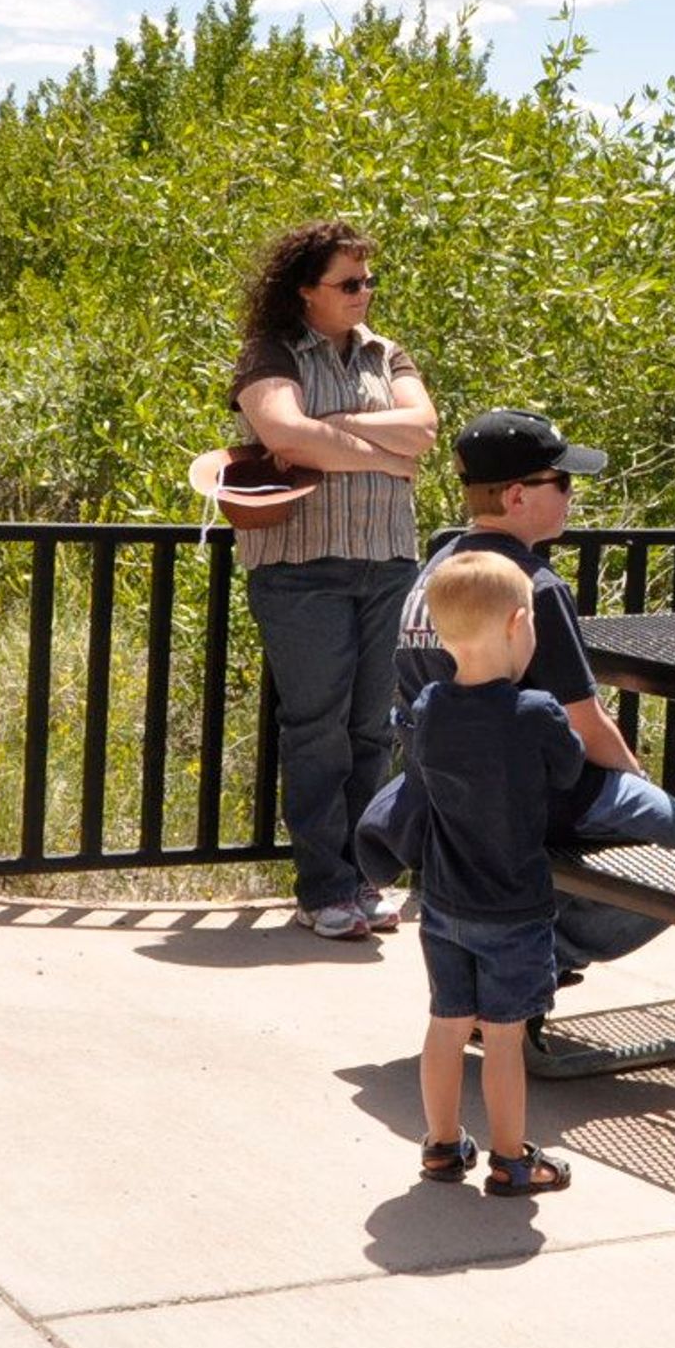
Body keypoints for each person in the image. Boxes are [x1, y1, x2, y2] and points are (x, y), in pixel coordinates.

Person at [395, 409, 675, 975]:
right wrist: (635, 782)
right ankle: (532, 958)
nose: (573, 496)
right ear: (518, 496)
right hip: (533, 793)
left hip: (448, 792)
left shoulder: (441, 567)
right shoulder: (534, 587)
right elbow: (586, 725)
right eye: (563, 481)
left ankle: (507, 957)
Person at [230, 219, 438, 942]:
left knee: (371, 729)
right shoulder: (271, 353)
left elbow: (425, 430)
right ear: (305, 291)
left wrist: (335, 429)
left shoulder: (388, 352)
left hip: (387, 561)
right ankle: (323, 888)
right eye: (349, 283)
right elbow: (284, 433)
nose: (365, 292)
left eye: (368, 280)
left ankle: (359, 878)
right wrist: (381, 452)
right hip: (300, 569)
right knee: (317, 729)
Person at [403, 548, 582, 1197]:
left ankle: (441, 1146)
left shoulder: (429, 705)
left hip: (444, 902)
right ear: (515, 625)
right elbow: (567, 771)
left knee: (447, 1023)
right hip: (512, 906)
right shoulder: (534, 712)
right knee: (503, 1039)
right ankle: (512, 1160)